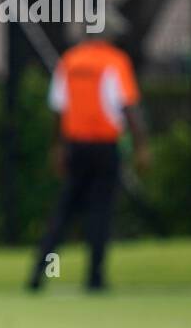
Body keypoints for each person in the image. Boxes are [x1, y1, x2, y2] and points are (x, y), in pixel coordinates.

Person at [28, 22, 149, 292]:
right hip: (106, 146)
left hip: (75, 146)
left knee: (63, 212)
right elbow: (128, 107)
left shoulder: (70, 61)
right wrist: (141, 145)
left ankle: (38, 275)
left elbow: (58, 109)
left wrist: (57, 147)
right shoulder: (115, 61)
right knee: (100, 211)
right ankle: (94, 278)